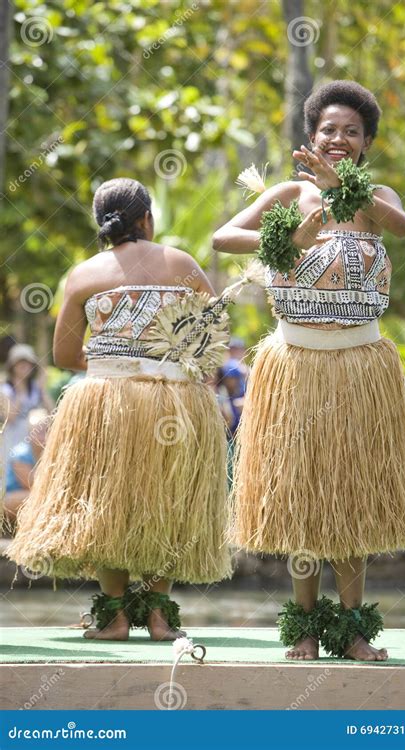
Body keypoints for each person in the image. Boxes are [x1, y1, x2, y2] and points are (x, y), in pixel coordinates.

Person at [213, 80, 405, 662]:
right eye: (328, 129)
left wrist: (345, 191)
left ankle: (355, 630)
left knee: (351, 500)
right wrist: (291, 232)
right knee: (304, 500)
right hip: (297, 368)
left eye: (351, 131)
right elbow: (223, 237)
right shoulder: (288, 194)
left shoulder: (376, 196)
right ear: (311, 136)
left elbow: (403, 228)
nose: (338, 138)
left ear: (365, 144)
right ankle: (304, 628)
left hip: (361, 368)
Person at [9, 177, 231, 641]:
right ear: (147, 219)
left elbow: (65, 356)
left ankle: (112, 617)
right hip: (174, 403)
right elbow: (213, 338)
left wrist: (116, 357)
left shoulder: (84, 274)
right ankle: (160, 617)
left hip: (106, 402)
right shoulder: (181, 263)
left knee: (110, 505)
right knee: (167, 503)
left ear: (102, 224)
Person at [1, 344, 53, 457]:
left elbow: (52, 413)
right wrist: (20, 391)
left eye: (27, 363)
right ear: (13, 366)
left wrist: (42, 389)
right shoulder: (6, 389)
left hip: (33, 444)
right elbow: (9, 418)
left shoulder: (35, 387)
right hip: (12, 443)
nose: (24, 366)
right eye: (20, 363)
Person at [3, 409, 49, 526]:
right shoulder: (20, 454)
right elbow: (33, 485)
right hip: (9, 497)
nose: (43, 437)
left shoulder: (50, 453)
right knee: (36, 498)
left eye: (47, 431)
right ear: (30, 433)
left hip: (30, 496)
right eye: (39, 432)